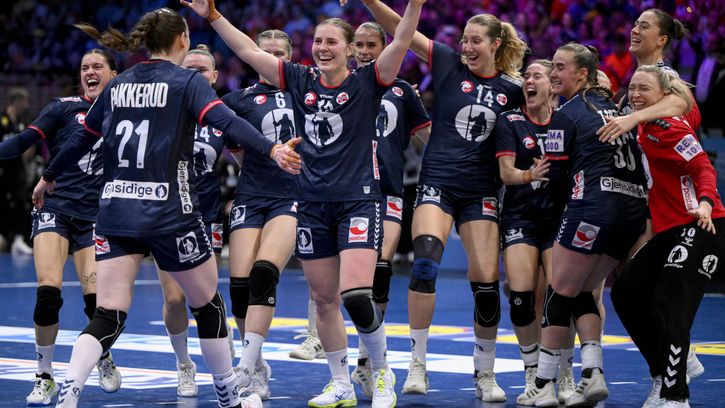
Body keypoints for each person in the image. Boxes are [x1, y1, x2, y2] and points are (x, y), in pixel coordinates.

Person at [32, 8, 300, 408]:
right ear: (181, 41)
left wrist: (48, 175)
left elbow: (80, 139)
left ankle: (70, 391)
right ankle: (228, 395)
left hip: (116, 211)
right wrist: (272, 148)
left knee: (108, 313)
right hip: (169, 213)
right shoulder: (186, 81)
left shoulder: (118, 83)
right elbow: (227, 122)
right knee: (207, 305)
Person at [182, 0, 425, 406]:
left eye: (332, 42)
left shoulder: (370, 80)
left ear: (350, 49)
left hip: (358, 201)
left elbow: (401, 39)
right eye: (318, 41)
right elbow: (247, 50)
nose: (323, 48)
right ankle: (340, 382)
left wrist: (414, 4)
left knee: (356, 294)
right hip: (311, 203)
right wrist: (213, 16)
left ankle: (383, 372)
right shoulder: (299, 78)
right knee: (325, 300)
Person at [360, 1, 526, 400]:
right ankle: (417, 364)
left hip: (481, 191)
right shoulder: (449, 62)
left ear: (496, 43)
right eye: (464, 40)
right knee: (425, 263)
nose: (467, 47)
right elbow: (399, 27)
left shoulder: (513, 90)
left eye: (476, 41)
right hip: (437, 182)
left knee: (486, 282)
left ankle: (485, 372)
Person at [516, 43, 647, 407]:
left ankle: (543, 385)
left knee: (558, 292)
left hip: (593, 208)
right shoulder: (616, 110)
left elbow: (556, 177)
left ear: (583, 74)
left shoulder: (567, 114)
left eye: (561, 67)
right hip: (631, 213)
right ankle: (592, 374)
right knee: (584, 291)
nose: (554, 73)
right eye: (553, 67)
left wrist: (536, 179)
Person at [0, 49, 123, 407]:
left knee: (96, 302)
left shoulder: (124, 114)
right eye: (84, 67)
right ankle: (44, 376)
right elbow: (21, 143)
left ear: (114, 75)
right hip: (55, 208)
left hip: (96, 216)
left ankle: (101, 353)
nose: (89, 72)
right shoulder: (62, 107)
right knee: (48, 293)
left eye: (97, 66)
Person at [598, 8, 706, 380]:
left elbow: (685, 106)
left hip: (666, 200)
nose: (634, 29)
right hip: (637, 195)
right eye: (634, 23)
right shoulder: (637, 82)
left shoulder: (665, 77)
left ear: (661, 39)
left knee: (646, 287)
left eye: (644, 26)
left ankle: (672, 372)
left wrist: (632, 116)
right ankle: (673, 367)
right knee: (632, 285)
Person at [611, 66, 725, 408]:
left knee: (670, 303)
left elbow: (703, 167)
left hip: (702, 225)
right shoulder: (643, 123)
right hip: (670, 230)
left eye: (644, 88)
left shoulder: (669, 127)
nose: (635, 94)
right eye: (632, 87)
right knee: (625, 292)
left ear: (663, 96)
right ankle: (668, 370)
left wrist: (705, 204)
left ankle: (676, 396)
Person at [221, 29, 301, 401]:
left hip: (292, 196)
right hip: (251, 196)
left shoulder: (306, 91)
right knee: (240, 288)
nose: (271, 58)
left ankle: (247, 368)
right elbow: (235, 149)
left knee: (264, 273)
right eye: (264, 52)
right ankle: (257, 364)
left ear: (289, 57)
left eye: (278, 53)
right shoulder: (238, 100)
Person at [155, 43, 235, 399]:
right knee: (174, 299)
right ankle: (184, 363)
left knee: (207, 295)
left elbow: (244, 157)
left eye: (202, 70)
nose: (195, 75)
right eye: (188, 68)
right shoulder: (163, 108)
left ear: (214, 77)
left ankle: (225, 367)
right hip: (167, 215)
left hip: (206, 214)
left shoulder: (221, 115)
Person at [495, 59, 577, 403]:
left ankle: (565, 373)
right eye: (526, 76)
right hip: (520, 217)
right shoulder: (510, 121)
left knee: (559, 298)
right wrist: (530, 175)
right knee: (520, 298)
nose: (529, 80)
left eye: (537, 76)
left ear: (551, 85)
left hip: (557, 219)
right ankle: (533, 372)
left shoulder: (566, 123)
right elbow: (506, 172)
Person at [0, 87, 34, 255]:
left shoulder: (22, 122)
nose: (27, 106)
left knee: (20, 203)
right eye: (25, 102)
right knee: (3, 205)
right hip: (2, 171)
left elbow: (29, 145)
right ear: (17, 101)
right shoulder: (2, 120)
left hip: (18, 171)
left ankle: (19, 240)